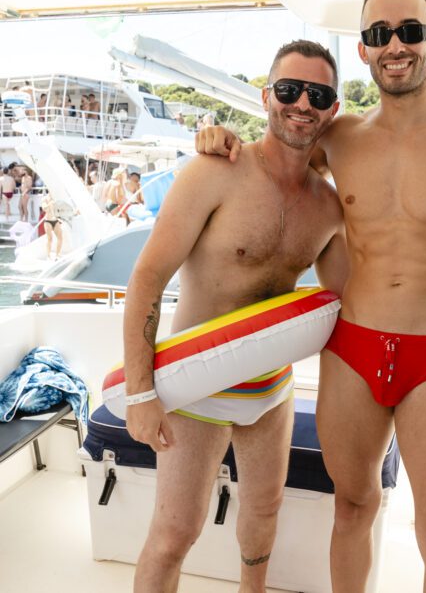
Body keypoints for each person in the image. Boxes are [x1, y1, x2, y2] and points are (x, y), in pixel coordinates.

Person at [195, 0, 426, 593]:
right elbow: (278, 148)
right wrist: (220, 137)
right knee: (351, 509)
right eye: (380, 32)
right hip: (351, 351)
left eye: (410, 30)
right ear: (364, 48)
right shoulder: (339, 138)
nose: (395, 44)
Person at [122, 40, 349, 593]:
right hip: (195, 387)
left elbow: (351, 294)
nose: (302, 104)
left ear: (332, 108)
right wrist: (139, 392)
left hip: (270, 389)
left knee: (264, 514)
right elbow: (147, 279)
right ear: (267, 95)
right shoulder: (214, 171)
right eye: (290, 89)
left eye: (317, 94)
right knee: (175, 533)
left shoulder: (328, 206)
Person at [40, 191, 63, 259]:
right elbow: (44, 209)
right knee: (50, 238)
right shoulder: (45, 199)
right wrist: (50, 203)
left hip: (55, 220)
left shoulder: (56, 198)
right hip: (48, 221)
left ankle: (57, 254)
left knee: (60, 237)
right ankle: (48, 255)